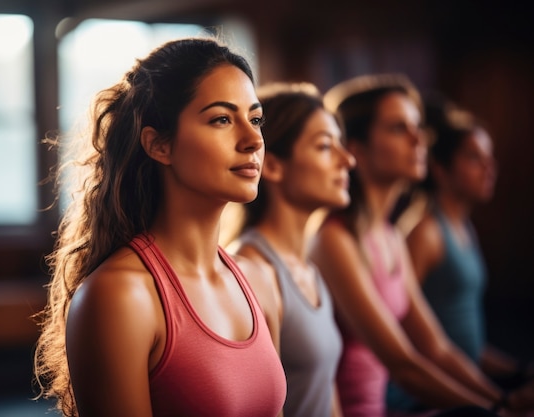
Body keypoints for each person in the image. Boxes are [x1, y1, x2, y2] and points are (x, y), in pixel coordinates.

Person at [32, 37, 287, 417]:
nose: (253, 141)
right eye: (221, 119)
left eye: (254, 119)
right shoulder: (119, 295)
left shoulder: (257, 278)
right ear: (158, 145)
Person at [309, 73, 523, 417]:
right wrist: (497, 411)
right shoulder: (335, 238)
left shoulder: (389, 236)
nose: (418, 138)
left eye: (417, 126)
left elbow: (436, 347)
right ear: (357, 149)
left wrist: (503, 401)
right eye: (398, 128)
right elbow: (403, 364)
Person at [387, 95, 534, 414]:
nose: (489, 167)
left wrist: (518, 372)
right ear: (440, 169)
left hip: (466, 378)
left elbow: (468, 341)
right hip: (429, 391)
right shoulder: (425, 232)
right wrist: (500, 402)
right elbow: (410, 336)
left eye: (489, 158)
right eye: (474, 158)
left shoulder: (465, 227)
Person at [229, 82, 355, 417]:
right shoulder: (251, 270)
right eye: (325, 146)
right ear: (271, 165)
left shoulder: (310, 268)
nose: (348, 160)